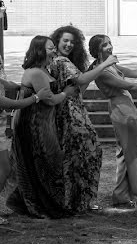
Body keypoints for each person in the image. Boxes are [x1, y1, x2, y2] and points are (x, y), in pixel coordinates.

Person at [0, 49, 52, 224]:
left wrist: (24, 85)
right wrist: (38, 97)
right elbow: (14, 104)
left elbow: (10, 85)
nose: (2, 65)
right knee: (4, 169)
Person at [88, 35, 137, 207]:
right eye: (105, 45)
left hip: (122, 107)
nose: (110, 46)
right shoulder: (101, 71)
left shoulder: (109, 65)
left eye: (110, 43)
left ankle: (121, 194)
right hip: (123, 110)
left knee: (125, 154)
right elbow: (129, 85)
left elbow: (133, 73)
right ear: (97, 50)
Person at [6, 36, 78, 218]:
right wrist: (66, 93)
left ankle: (46, 201)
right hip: (34, 124)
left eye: (54, 47)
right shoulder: (36, 73)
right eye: (50, 48)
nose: (54, 51)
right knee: (46, 160)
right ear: (39, 51)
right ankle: (44, 204)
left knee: (49, 160)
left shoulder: (42, 69)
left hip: (43, 122)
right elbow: (49, 100)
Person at [49, 25, 117, 212]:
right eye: (65, 41)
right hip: (70, 113)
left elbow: (80, 86)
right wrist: (104, 64)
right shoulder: (61, 61)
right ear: (57, 42)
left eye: (72, 41)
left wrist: (94, 68)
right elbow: (80, 80)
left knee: (78, 156)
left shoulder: (64, 61)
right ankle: (80, 200)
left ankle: (79, 200)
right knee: (88, 153)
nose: (69, 44)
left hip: (74, 109)